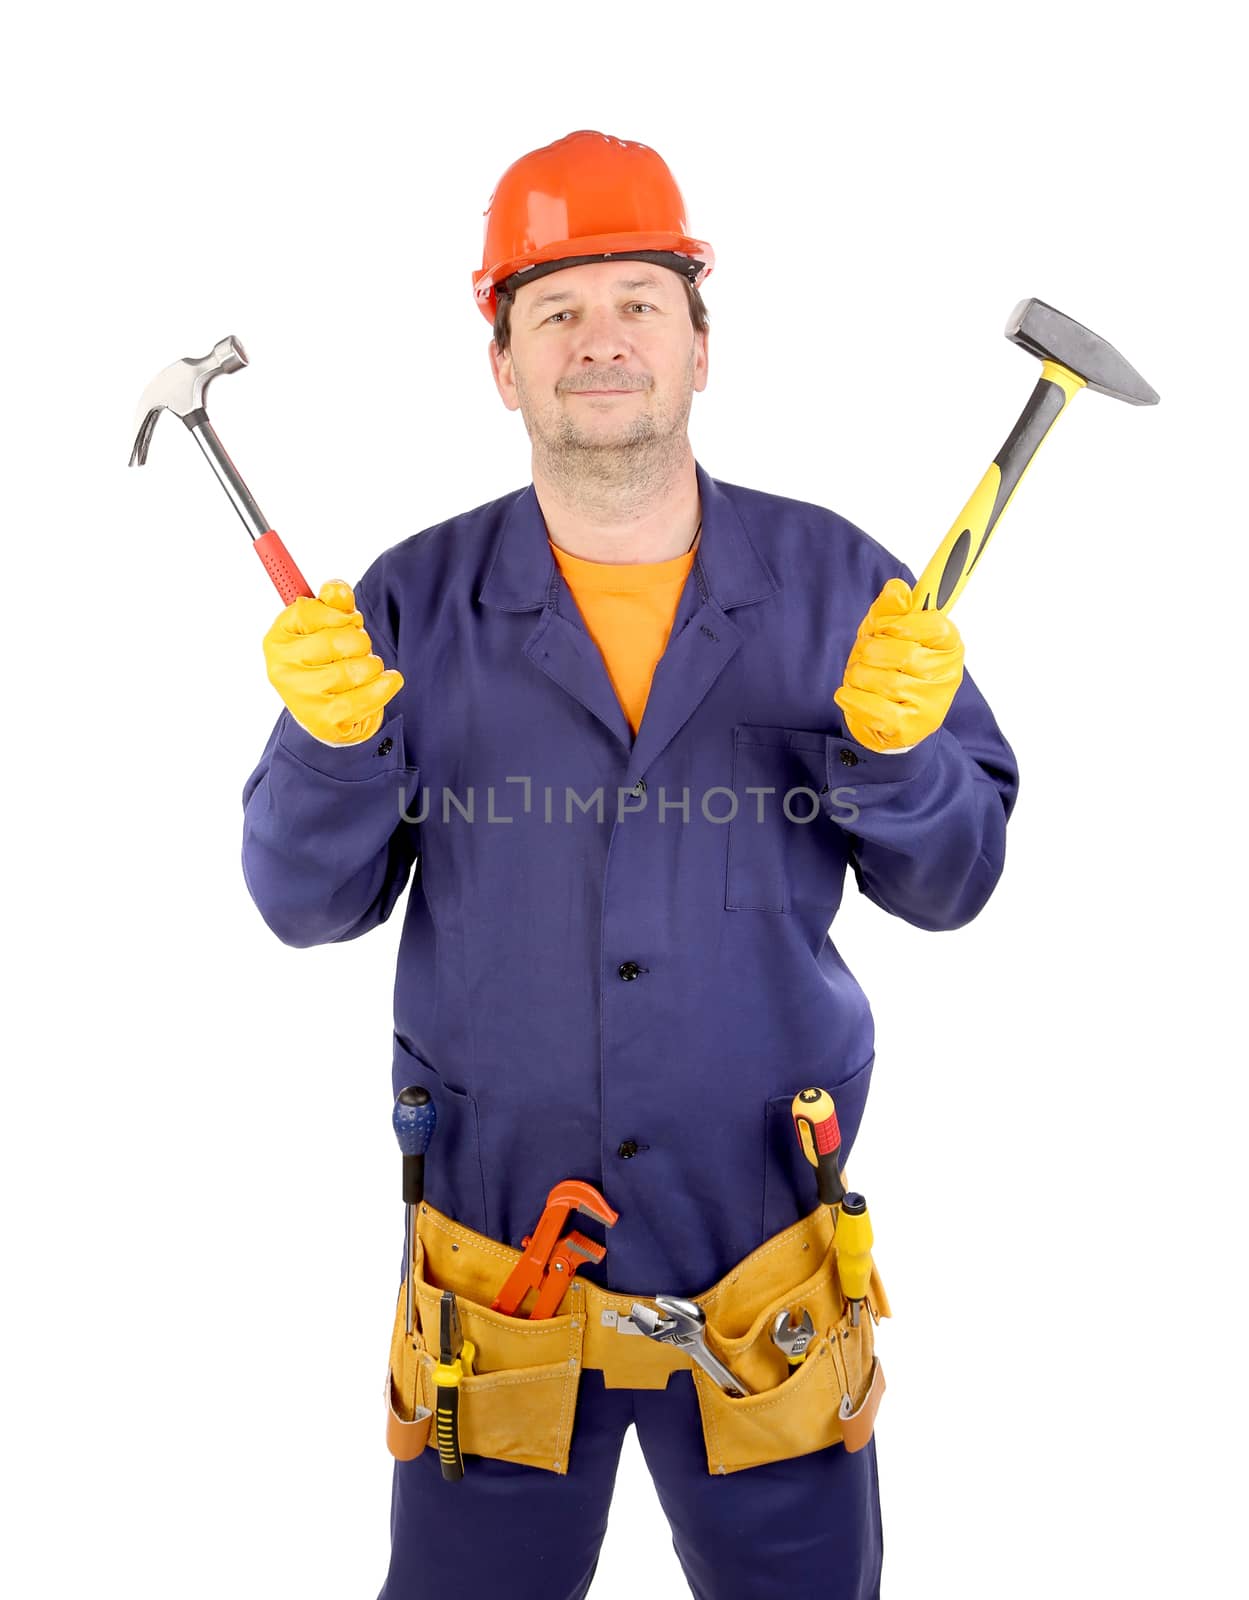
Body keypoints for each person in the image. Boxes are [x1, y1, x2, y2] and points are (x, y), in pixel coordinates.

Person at [242, 128, 1018, 1600]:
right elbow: (302, 905)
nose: (600, 342)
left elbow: (952, 881)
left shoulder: (844, 590)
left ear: (699, 345)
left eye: (637, 304)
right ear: (504, 364)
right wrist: (326, 750)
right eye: (556, 311)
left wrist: (907, 757)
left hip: (762, 1257)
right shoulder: (406, 605)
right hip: (499, 1259)